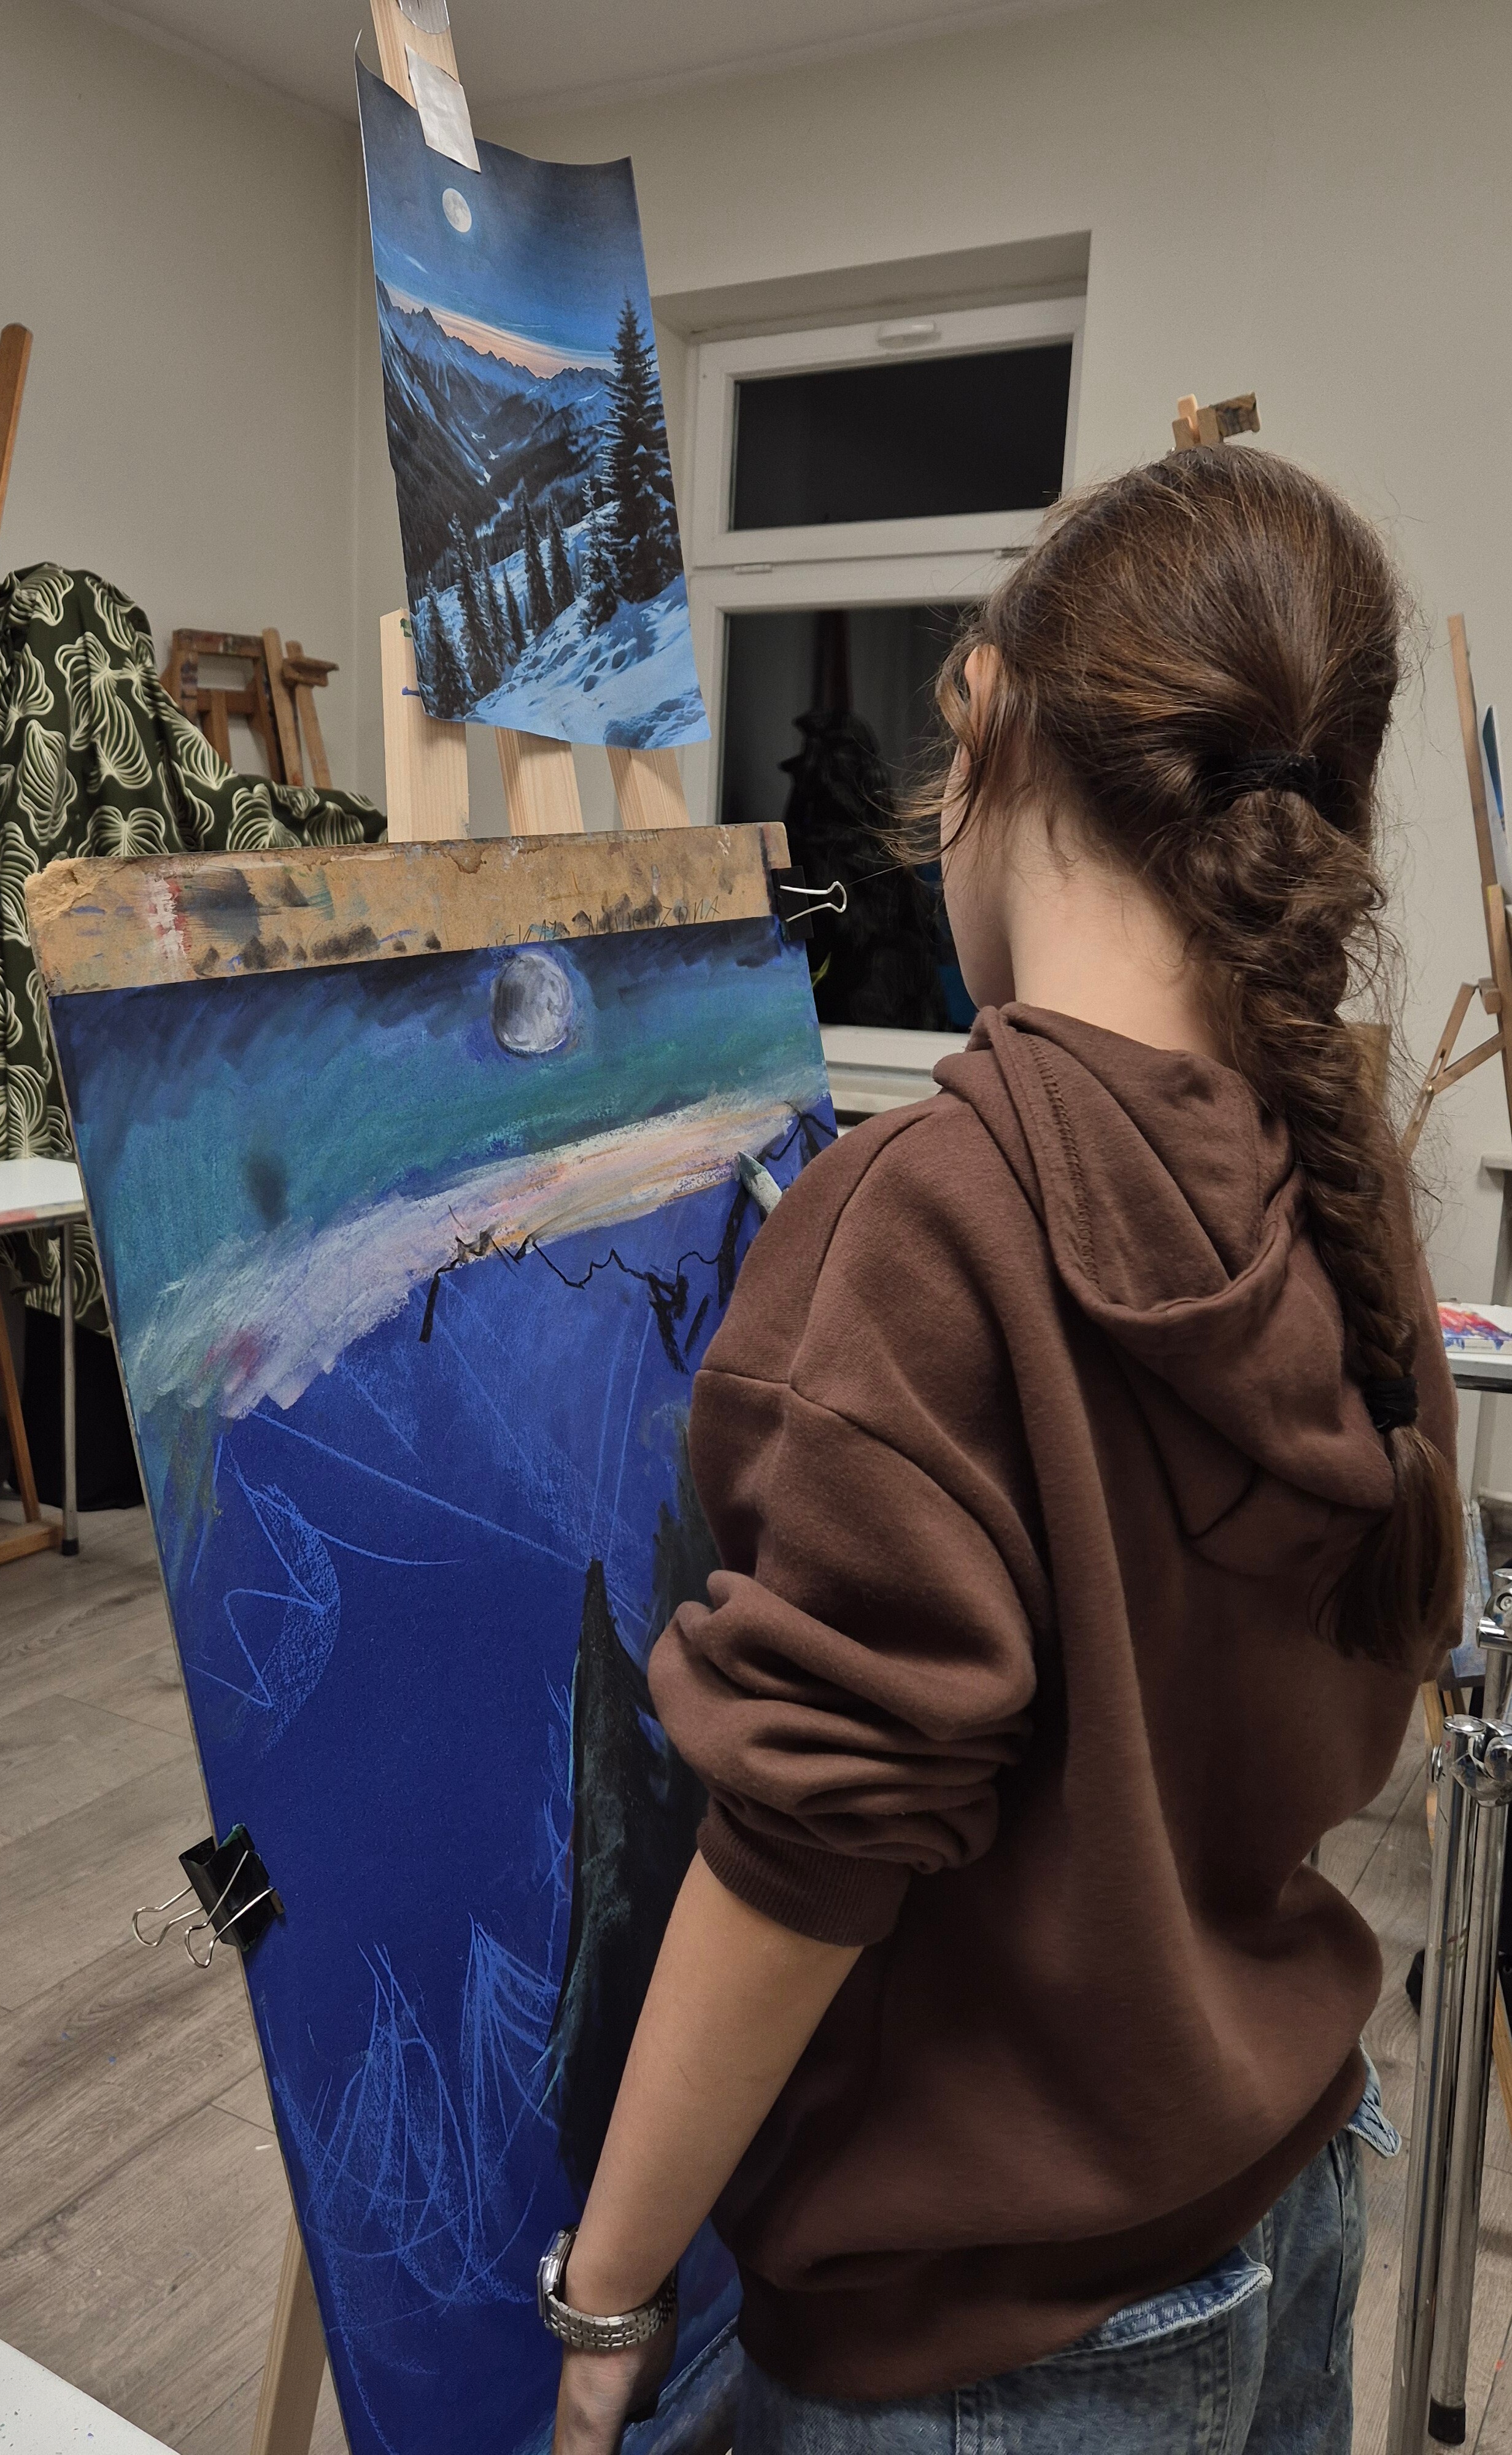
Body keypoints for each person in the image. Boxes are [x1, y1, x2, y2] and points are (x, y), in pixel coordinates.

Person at [541, 445, 1464, 2455]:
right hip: (1293, 2186)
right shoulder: (1341, 1173)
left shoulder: (937, 1214)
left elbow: (806, 1856)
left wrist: (607, 2287)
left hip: (994, 2339)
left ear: (995, 732)